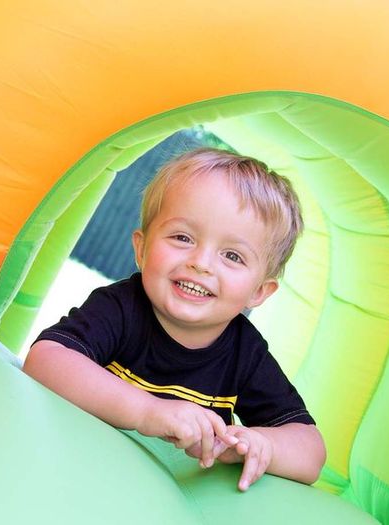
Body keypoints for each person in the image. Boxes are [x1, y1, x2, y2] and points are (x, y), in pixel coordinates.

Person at [24, 148, 326, 492]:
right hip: (79, 470)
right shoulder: (122, 307)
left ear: (259, 291)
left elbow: (311, 450)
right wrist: (147, 411)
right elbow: (46, 359)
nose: (201, 263)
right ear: (142, 248)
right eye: (183, 238)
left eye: (232, 256)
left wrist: (262, 444)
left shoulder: (246, 354)